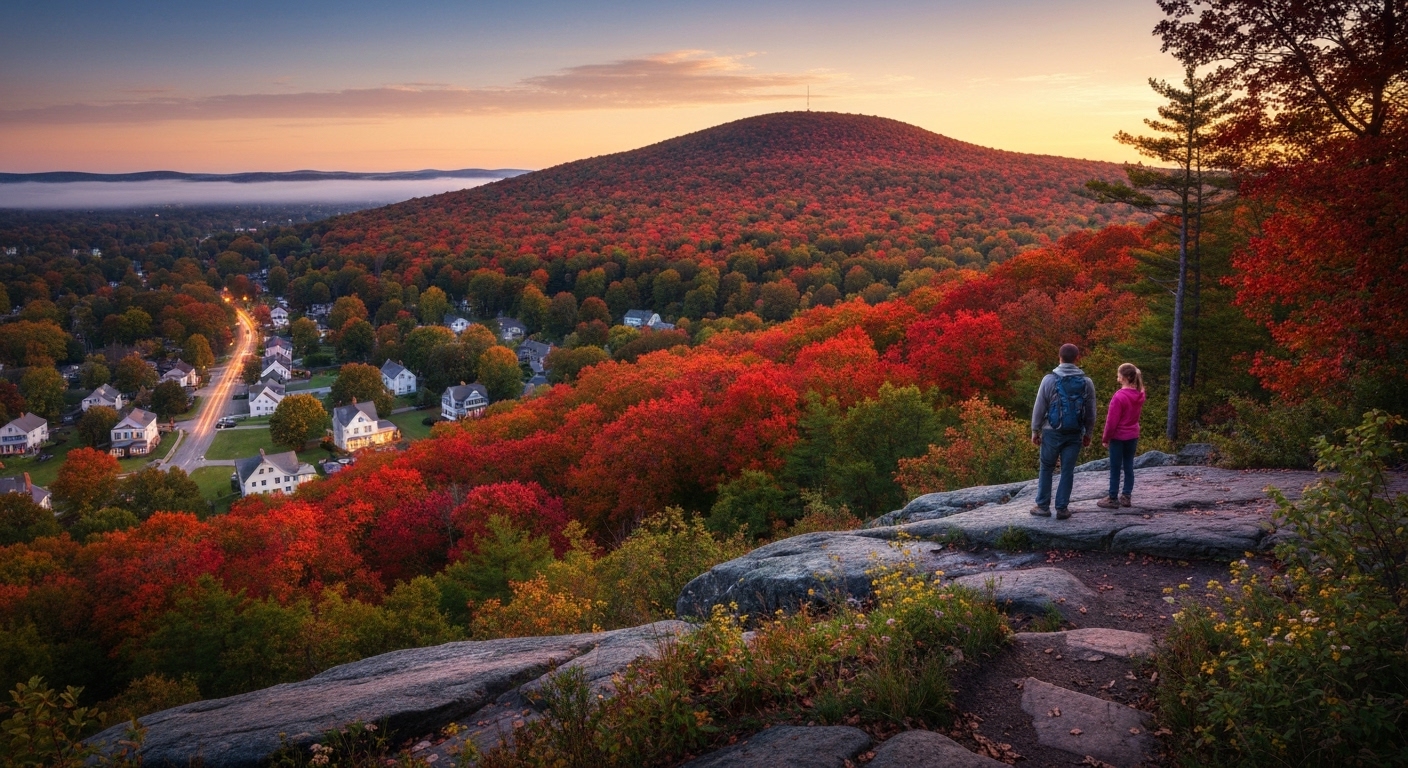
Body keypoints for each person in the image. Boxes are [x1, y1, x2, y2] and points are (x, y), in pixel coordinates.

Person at [1030, 343, 1097, 520]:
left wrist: (1035, 430)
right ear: (1077, 358)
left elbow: (1039, 407)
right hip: (1074, 432)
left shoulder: (1049, 380)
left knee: (1046, 467)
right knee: (1067, 470)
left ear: (1059, 357)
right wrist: (1088, 433)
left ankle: (1043, 506)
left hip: (1051, 431)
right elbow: (1091, 412)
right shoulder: (1086, 382)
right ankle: (1062, 509)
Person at [1097, 363, 1146, 509]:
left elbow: (1111, 422)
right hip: (1133, 435)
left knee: (1115, 467)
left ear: (1125, 377)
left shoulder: (1119, 397)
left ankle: (1112, 498)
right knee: (1129, 465)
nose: (1117, 377)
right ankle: (1126, 496)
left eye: (1118, 374)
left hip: (1118, 437)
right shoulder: (1140, 394)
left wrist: (1106, 438)